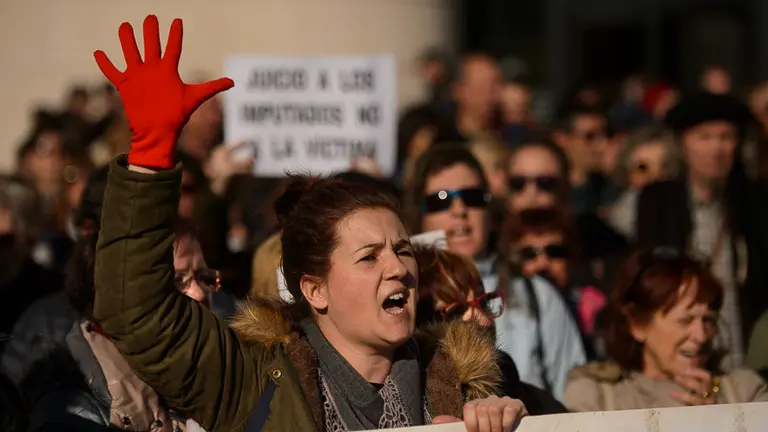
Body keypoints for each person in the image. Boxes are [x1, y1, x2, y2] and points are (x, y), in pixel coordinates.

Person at [91, 15, 526, 432]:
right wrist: (149, 155)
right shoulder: (251, 382)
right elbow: (137, 311)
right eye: (369, 257)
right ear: (315, 289)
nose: (397, 269)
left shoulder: (461, 382)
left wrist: (506, 418)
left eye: (403, 249)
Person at [403, 144, 586, 400]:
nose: (459, 211)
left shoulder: (537, 294)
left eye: (472, 197)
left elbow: (574, 394)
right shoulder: (402, 295)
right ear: (417, 213)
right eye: (441, 199)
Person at [636, 92, 768, 372]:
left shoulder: (755, 204)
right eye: (704, 137)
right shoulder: (655, 201)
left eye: (726, 137)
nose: (716, 148)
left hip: (739, 355)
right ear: (683, 144)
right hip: (676, 356)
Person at [564, 249, 768, 411]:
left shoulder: (744, 393)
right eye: (684, 320)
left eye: (708, 320)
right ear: (638, 325)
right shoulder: (597, 400)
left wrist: (720, 417)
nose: (701, 335)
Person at [413, 244, 568, 415]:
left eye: (484, 303)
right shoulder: (406, 402)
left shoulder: (529, 397)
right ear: (418, 323)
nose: (484, 321)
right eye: (456, 311)